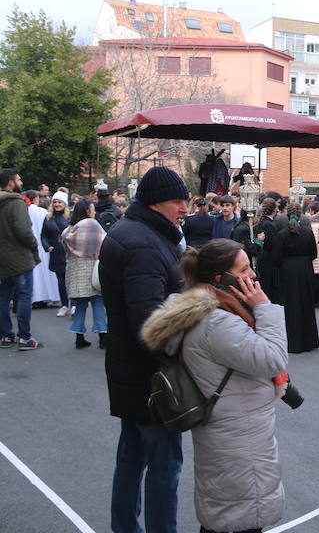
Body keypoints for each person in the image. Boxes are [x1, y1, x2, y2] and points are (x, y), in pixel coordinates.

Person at [141, 239, 288, 533]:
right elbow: (273, 359)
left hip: (231, 430)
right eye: (244, 269)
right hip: (238, 438)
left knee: (226, 514)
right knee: (239, 517)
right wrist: (265, 308)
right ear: (222, 278)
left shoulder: (209, 311)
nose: (253, 276)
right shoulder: (218, 321)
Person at [99, 165, 189, 533]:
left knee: (132, 458)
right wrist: (195, 303)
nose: (185, 207)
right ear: (155, 203)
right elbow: (151, 321)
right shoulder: (143, 243)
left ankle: (124, 527)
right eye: (177, 200)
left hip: (132, 371)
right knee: (164, 467)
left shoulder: (141, 234)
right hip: (152, 377)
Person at [269, 204, 319, 354]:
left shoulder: (282, 235)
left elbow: (275, 258)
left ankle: (293, 342)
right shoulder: (308, 232)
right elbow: (314, 254)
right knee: (306, 303)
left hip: (288, 271)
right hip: (305, 270)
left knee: (290, 305)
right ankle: (308, 341)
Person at [0, 168, 42, 350]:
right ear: (11, 182)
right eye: (19, 179)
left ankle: (6, 336)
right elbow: (24, 231)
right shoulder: (16, 203)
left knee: (3, 297)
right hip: (20, 257)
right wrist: (33, 244)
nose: (21, 183)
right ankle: (24, 337)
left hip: (2, 259)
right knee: (24, 296)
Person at [61, 199, 108, 349]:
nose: (94, 212)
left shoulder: (69, 229)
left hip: (75, 272)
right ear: (88, 211)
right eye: (93, 209)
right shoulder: (92, 224)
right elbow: (104, 241)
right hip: (92, 270)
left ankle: (79, 338)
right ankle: (103, 337)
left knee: (80, 306)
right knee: (98, 304)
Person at [25, 189, 59, 306]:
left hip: (31, 245)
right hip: (44, 245)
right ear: (36, 199)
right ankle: (50, 294)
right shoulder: (42, 212)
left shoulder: (25, 211)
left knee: (35, 273)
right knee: (47, 272)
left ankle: (36, 296)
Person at [42, 191, 71, 317]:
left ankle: (74, 305)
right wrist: (47, 246)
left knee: (71, 281)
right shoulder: (48, 217)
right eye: (55, 202)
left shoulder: (70, 217)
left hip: (69, 253)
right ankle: (64, 304)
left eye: (59, 202)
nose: (57, 204)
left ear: (64, 203)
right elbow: (43, 235)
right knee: (61, 282)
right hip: (56, 253)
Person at [254, 198, 280, 304]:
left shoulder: (264, 221)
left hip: (264, 257)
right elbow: (272, 243)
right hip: (267, 258)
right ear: (274, 209)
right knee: (268, 284)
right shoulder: (268, 224)